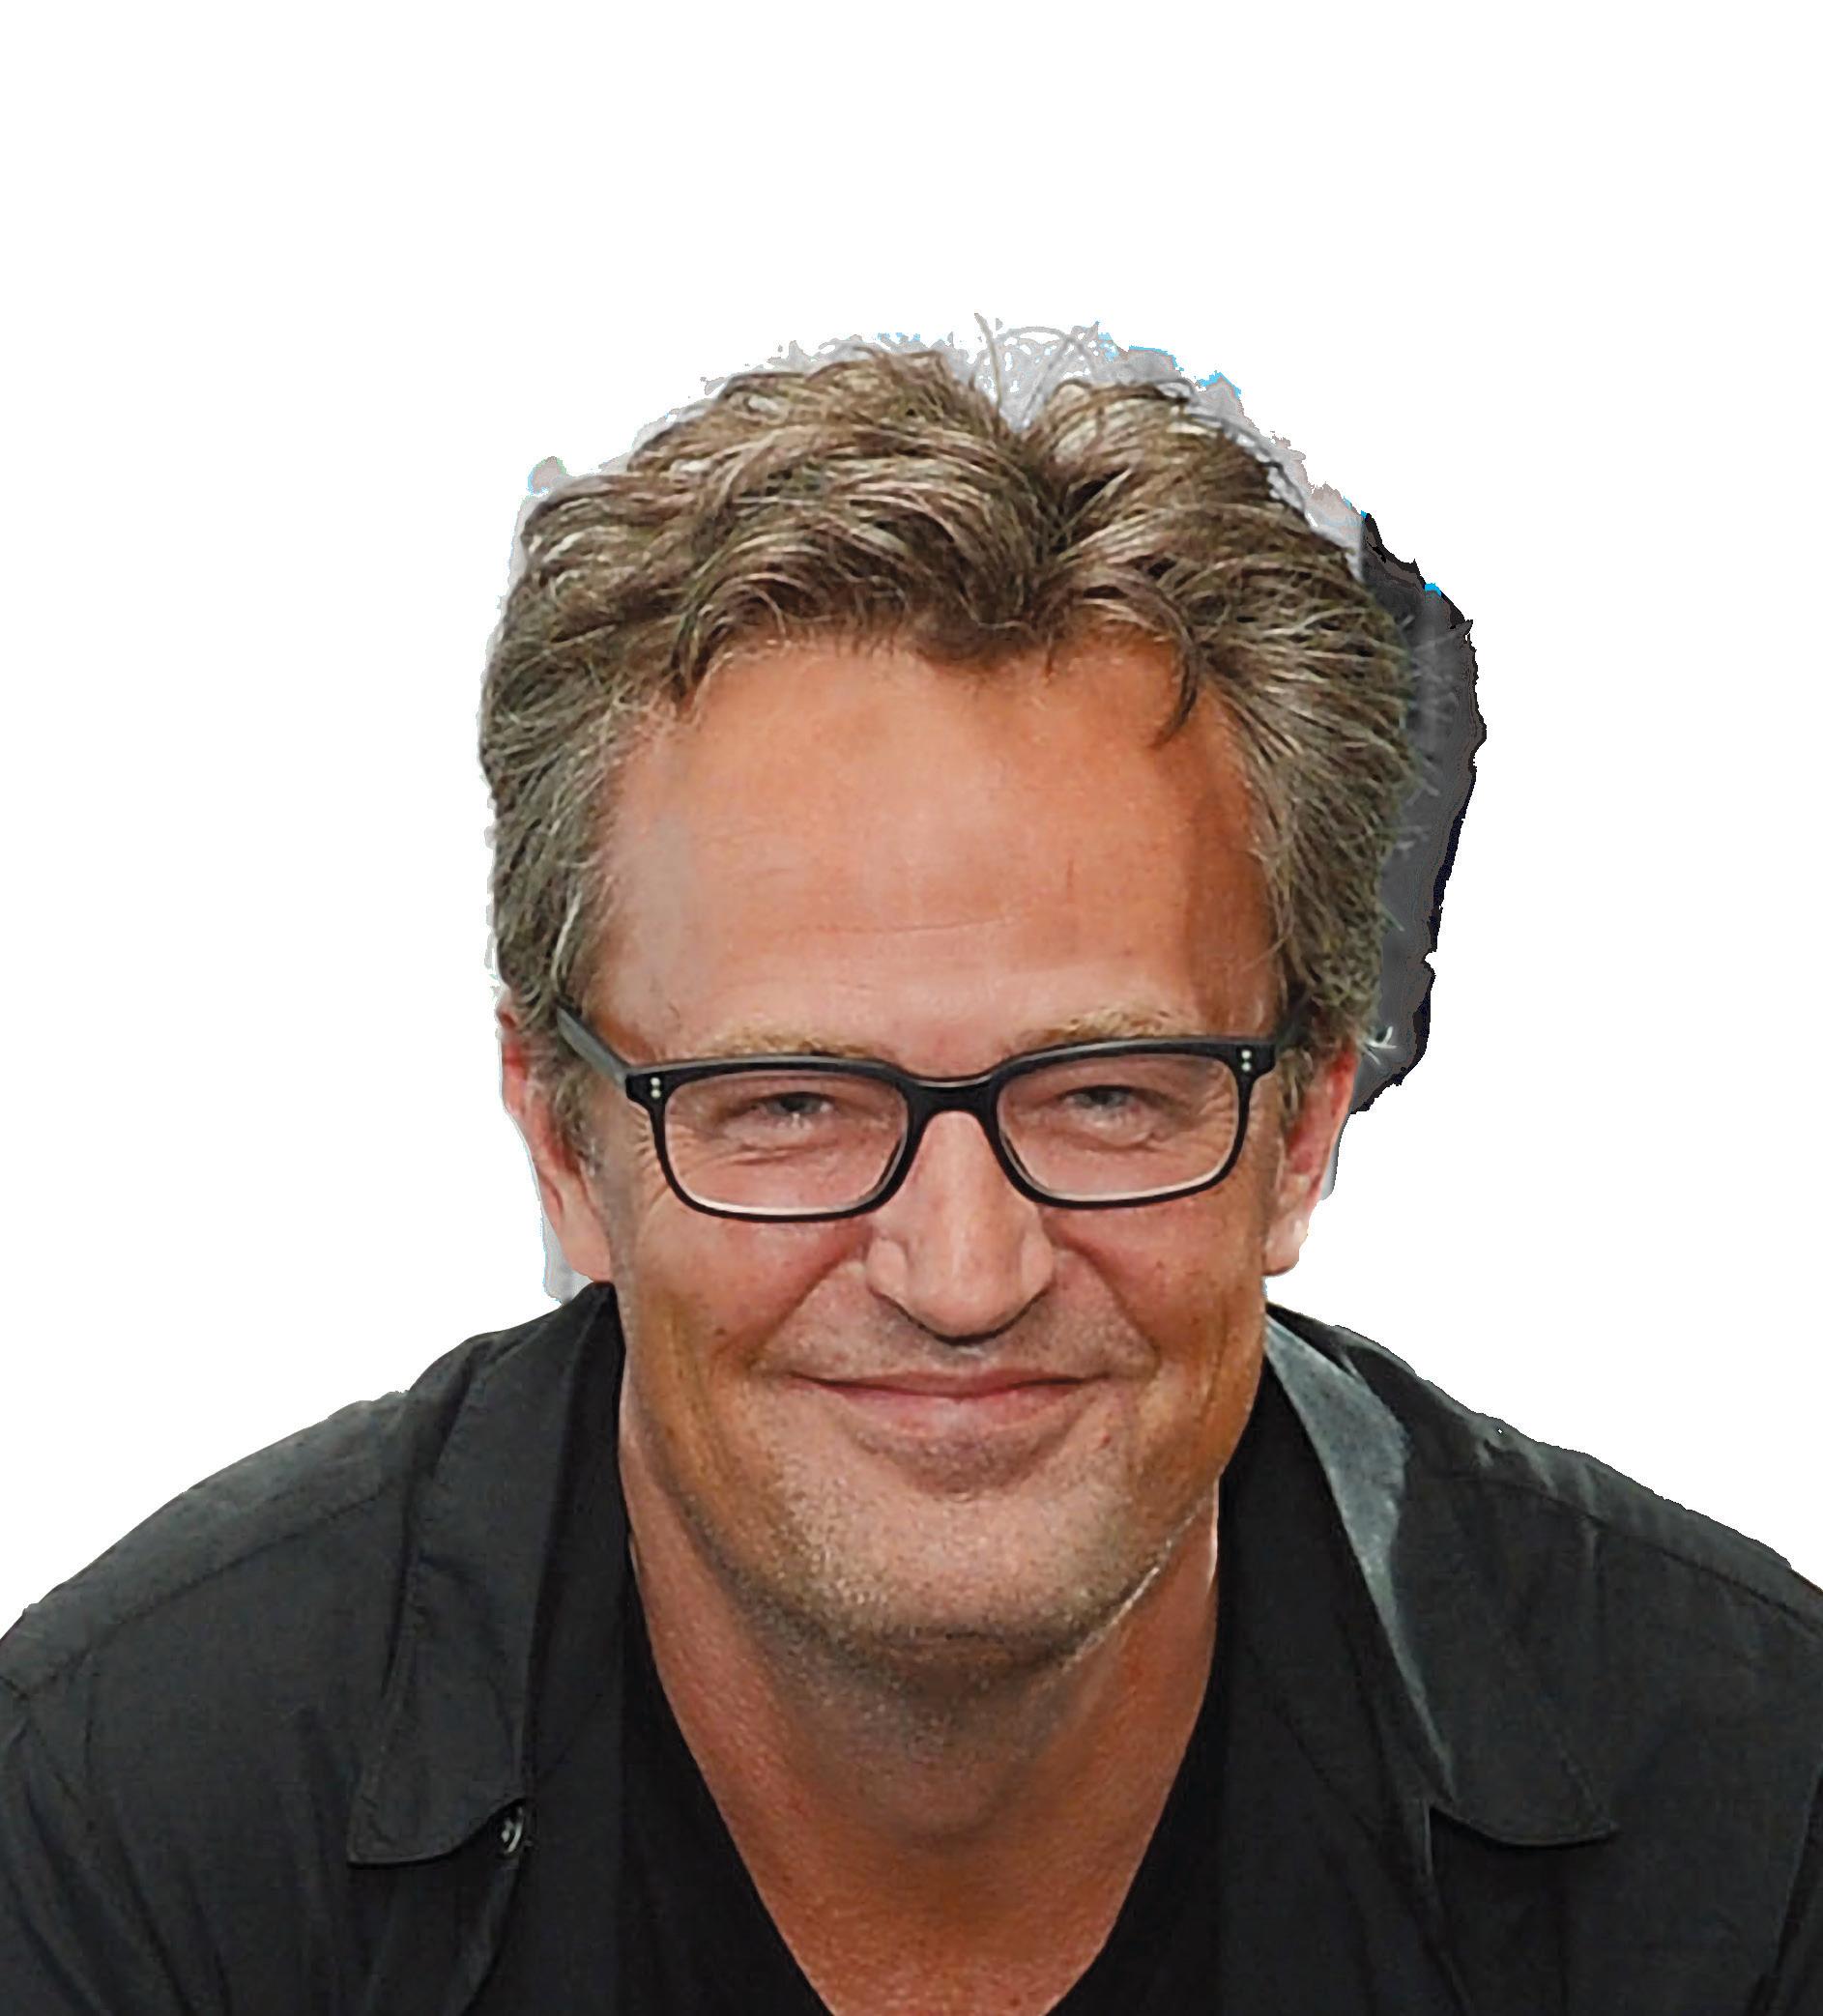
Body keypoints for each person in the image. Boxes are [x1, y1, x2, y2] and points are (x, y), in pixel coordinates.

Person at [2, 327, 1818, 2015]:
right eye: (791, 1103)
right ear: (562, 1142)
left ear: (1303, 1130)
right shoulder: (132, 1821)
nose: (963, 1274)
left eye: (1107, 1095)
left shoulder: (1748, 1804)